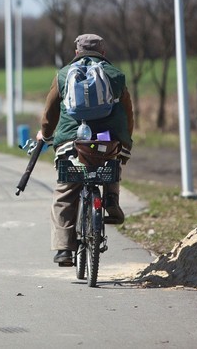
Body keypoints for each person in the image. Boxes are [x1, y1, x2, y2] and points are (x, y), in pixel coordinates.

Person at [36, 33, 134, 266]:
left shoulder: (63, 75)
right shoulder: (115, 75)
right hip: (106, 143)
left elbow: (50, 113)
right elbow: (127, 114)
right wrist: (126, 142)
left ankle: (63, 249)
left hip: (72, 143)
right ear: (103, 52)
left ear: (76, 53)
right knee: (110, 163)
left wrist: (46, 134)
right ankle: (110, 199)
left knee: (64, 194)